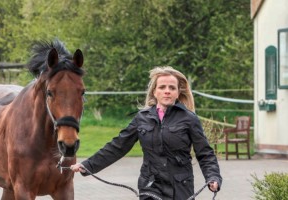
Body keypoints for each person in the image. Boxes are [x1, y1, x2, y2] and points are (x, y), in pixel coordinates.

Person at [70, 66, 221, 200]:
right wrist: (88, 165)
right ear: (155, 92)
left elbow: (205, 153)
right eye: (162, 87)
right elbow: (118, 146)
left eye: (172, 88)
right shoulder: (142, 118)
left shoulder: (189, 119)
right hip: (151, 185)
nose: (167, 91)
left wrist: (213, 177)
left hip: (180, 187)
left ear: (177, 92)